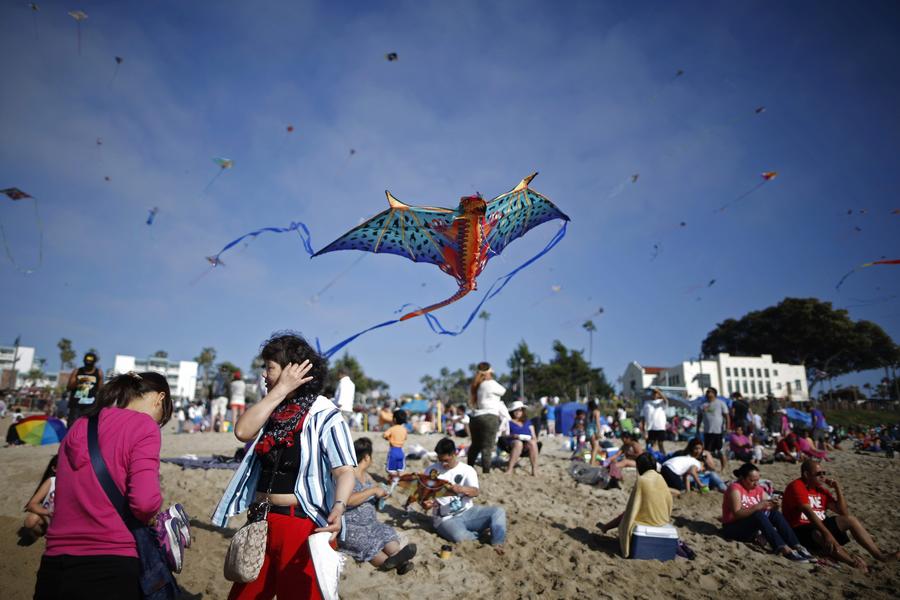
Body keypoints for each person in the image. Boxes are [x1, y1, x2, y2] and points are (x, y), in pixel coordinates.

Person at [213, 334, 356, 599]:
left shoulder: (325, 414)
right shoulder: (272, 409)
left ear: (293, 369)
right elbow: (242, 431)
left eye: (270, 368)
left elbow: (345, 470)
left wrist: (339, 506)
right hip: (260, 521)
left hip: (301, 524)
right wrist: (279, 390)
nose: (264, 375)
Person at [35, 372, 180, 599]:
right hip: (109, 558)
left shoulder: (82, 423)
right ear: (159, 398)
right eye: (163, 416)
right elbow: (144, 502)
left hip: (55, 559)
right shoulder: (144, 426)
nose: (158, 423)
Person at [782, 459, 899, 572]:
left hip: (819, 524)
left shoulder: (820, 490)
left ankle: (879, 555)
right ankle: (852, 563)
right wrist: (827, 534)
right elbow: (808, 513)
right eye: (818, 474)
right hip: (800, 529)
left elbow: (843, 512)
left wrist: (837, 488)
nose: (822, 476)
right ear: (806, 474)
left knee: (850, 520)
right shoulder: (797, 486)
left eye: (824, 473)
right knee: (819, 533)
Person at [340, 437, 416, 574]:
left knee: (385, 533)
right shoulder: (347, 475)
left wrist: (381, 495)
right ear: (367, 457)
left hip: (371, 523)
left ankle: (399, 559)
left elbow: (373, 495)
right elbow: (347, 500)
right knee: (366, 543)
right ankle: (388, 563)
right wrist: (373, 490)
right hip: (352, 526)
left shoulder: (367, 476)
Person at [425, 438, 506, 554]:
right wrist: (426, 503)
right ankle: (479, 536)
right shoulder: (431, 470)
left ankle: (497, 542)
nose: (443, 464)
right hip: (445, 519)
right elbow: (424, 495)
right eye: (440, 460)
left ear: (454, 454)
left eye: (446, 460)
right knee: (459, 536)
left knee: (498, 512)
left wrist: (462, 489)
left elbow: (476, 492)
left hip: (467, 512)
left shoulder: (467, 470)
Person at [721, 463, 812, 562]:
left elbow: (770, 506)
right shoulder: (735, 488)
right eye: (752, 481)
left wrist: (776, 504)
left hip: (750, 528)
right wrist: (757, 506)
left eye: (757, 480)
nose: (755, 484)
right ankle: (783, 548)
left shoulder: (757, 489)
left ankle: (796, 545)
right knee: (758, 514)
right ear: (742, 478)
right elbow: (737, 514)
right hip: (732, 528)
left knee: (774, 513)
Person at [599, 453, 673, 558]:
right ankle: (606, 527)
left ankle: (606, 527)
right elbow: (669, 501)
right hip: (663, 520)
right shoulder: (661, 478)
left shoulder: (642, 480)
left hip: (648, 521)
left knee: (625, 517)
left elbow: (632, 507)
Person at [467, 362, 510, 474]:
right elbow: (503, 391)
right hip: (489, 416)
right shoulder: (490, 383)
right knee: (487, 446)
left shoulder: (477, 385)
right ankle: (486, 471)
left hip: (476, 417)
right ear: (489, 372)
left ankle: (469, 468)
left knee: (475, 445)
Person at [21, 455, 58, 542]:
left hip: (66, 519)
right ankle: (37, 535)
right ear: (54, 469)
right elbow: (31, 504)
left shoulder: (75, 481)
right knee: (30, 521)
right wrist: (48, 512)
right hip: (49, 517)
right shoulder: (52, 481)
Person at [502, 401, 539, 476]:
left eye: (520, 410)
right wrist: (514, 436)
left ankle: (534, 470)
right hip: (512, 442)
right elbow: (504, 435)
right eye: (516, 410)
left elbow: (534, 436)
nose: (518, 412)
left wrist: (533, 439)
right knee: (518, 443)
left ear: (523, 411)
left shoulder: (528, 422)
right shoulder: (508, 421)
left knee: (533, 443)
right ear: (512, 411)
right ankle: (510, 469)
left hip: (527, 442)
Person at [697, 387, 730, 470]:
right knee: (707, 451)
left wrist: (728, 428)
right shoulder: (703, 405)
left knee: (720, 450)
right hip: (707, 431)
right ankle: (708, 467)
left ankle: (723, 468)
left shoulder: (721, 403)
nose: (708, 394)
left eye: (710, 392)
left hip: (718, 431)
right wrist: (697, 428)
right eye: (707, 392)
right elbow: (699, 418)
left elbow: (727, 416)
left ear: (714, 394)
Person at [66, 351, 103, 424]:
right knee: (72, 426)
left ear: (94, 362)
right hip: (76, 405)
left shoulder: (98, 372)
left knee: (88, 427)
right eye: (87, 362)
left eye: (90, 362)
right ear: (84, 361)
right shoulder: (77, 371)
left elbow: (100, 390)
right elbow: (68, 387)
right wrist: (79, 381)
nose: (88, 364)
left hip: (90, 406)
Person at [383, 409, 408, 483]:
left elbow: (385, 435)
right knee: (400, 468)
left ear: (394, 419)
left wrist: (388, 438)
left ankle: (393, 479)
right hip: (401, 451)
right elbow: (405, 438)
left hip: (393, 450)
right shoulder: (404, 429)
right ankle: (397, 480)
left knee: (390, 469)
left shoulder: (392, 429)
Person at [640, 388, 668, 454]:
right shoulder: (646, 403)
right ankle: (648, 457)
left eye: (656, 393)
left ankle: (664, 457)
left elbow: (666, 400)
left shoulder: (662, 402)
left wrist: (658, 391)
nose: (655, 394)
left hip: (660, 426)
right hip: (651, 427)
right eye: (654, 393)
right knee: (650, 444)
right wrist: (643, 428)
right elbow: (644, 416)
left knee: (660, 444)